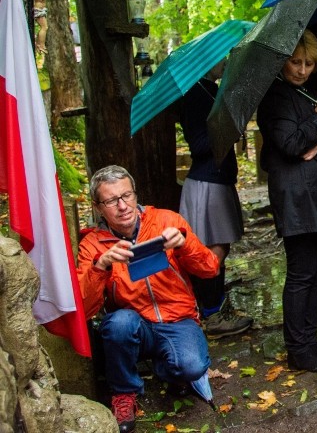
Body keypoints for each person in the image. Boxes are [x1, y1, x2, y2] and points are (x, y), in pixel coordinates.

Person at [77, 165, 220, 433]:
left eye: (127, 195)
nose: (123, 206)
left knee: (190, 368)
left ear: (134, 194)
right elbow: (84, 309)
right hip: (134, 325)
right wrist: (101, 266)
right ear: (98, 207)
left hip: (177, 319)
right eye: (111, 200)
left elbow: (210, 268)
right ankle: (124, 392)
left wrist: (184, 243)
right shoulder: (92, 244)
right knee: (117, 324)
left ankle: (166, 367)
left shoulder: (166, 221)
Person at [257, 30, 317, 373]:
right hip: (297, 197)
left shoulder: (305, 91)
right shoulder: (276, 97)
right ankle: (298, 348)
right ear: (283, 61)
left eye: (310, 63)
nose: (303, 70)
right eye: (296, 62)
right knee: (301, 273)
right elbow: (291, 143)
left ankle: (310, 341)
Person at [178, 59, 253, 339]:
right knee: (211, 252)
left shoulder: (209, 89)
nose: (226, 62)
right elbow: (198, 144)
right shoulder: (197, 93)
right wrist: (229, 129)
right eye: (222, 57)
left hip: (217, 180)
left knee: (218, 249)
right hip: (207, 183)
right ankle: (211, 313)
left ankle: (215, 307)